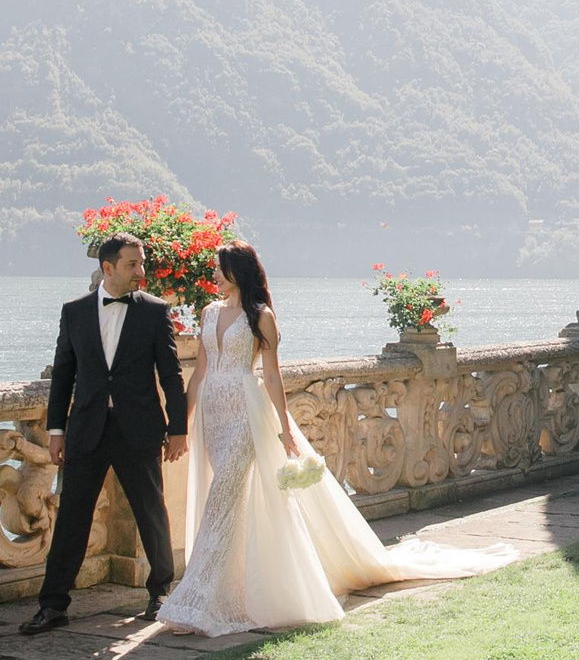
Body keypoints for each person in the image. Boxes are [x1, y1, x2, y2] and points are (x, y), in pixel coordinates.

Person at [155, 242, 511, 636]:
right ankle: (230, 590)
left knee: (221, 498)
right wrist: (180, 425)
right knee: (225, 501)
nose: (216, 275)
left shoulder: (261, 316)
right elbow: (199, 373)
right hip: (212, 413)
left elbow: (271, 376)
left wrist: (285, 429)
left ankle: (198, 599)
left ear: (238, 270)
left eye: (221, 268)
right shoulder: (209, 313)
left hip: (244, 413)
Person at [23, 235, 187, 635]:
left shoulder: (154, 311)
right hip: (87, 429)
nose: (141, 272)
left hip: (139, 429)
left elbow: (170, 373)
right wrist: (56, 429)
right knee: (71, 518)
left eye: (142, 263)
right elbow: (63, 373)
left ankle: (160, 591)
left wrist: (178, 428)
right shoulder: (74, 311)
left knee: (151, 511)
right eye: (133, 264)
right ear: (108, 268)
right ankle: (53, 604)